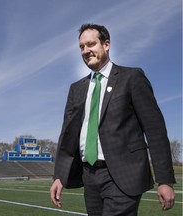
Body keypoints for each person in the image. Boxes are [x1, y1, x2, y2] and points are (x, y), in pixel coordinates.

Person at [50, 23, 176, 216]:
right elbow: (67, 136)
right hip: (89, 176)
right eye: (81, 47)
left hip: (123, 174)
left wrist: (165, 180)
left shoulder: (131, 77)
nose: (86, 50)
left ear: (106, 45)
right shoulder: (76, 89)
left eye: (91, 44)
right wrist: (59, 176)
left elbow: (155, 129)